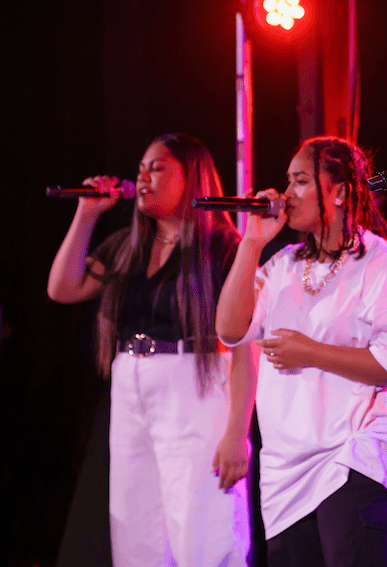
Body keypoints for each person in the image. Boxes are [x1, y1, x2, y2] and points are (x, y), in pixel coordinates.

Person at [215, 136, 387, 567]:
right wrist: (252, 242)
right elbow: (229, 329)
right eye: (288, 181)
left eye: (300, 181)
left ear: (340, 191)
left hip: (358, 455)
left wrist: (311, 352)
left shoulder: (385, 262)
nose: (286, 194)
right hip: (287, 471)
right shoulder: (282, 265)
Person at [47, 133, 253, 567]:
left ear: (191, 176)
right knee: (135, 526)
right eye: (140, 168)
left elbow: (244, 347)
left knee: (201, 523)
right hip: (130, 383)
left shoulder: (221, 245)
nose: (142, 177)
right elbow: (62, 288)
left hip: (193, 381)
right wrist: (87, 214)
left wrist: (237, 432)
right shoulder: (128, 246)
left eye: (157, 168)